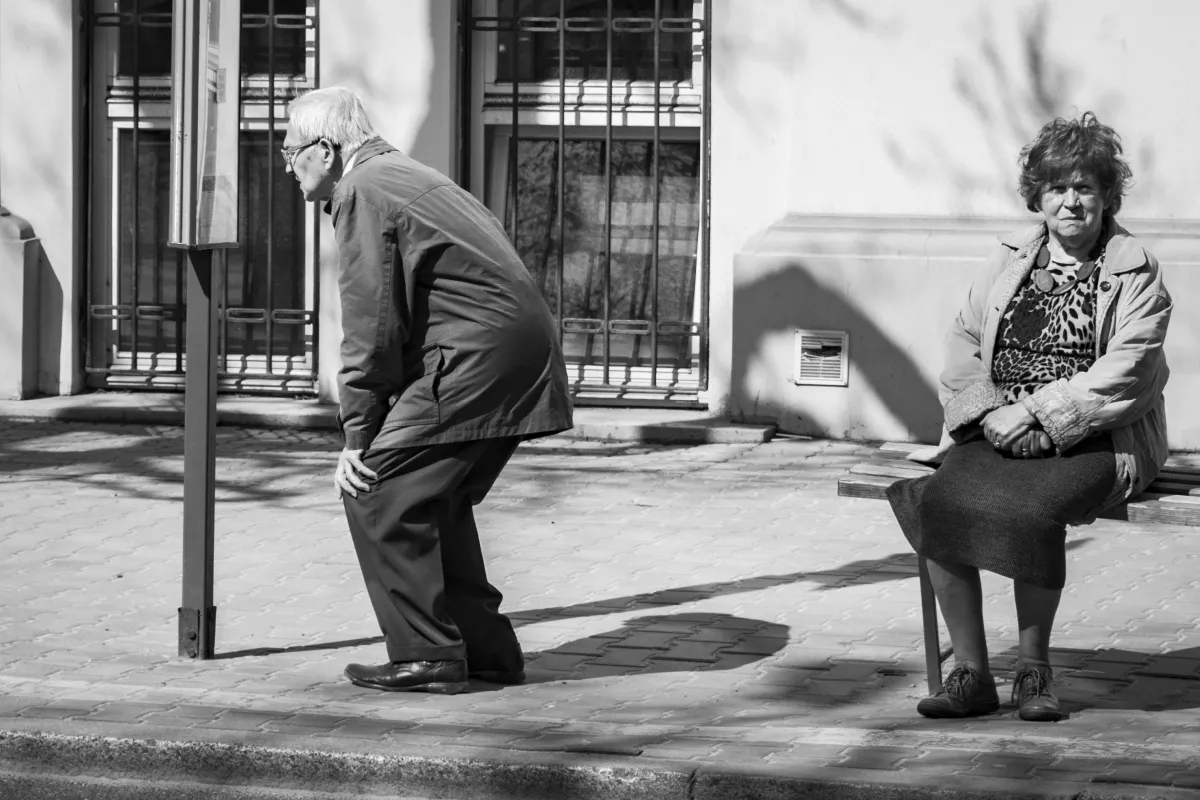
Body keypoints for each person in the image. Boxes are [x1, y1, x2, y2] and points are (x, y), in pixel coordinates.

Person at [282, 87, 573, 694]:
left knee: (379, 487)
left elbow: (371, 328)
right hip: (512, 354)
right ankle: (485, 654)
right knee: (432, 498)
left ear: (327, 149)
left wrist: (359, 437)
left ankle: (428, 655)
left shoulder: (361, 191)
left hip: (475, 358)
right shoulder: (408, 174)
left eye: (291, 152)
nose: (288, 166)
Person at [888, 112, 1172, 721]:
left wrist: (1039, 413)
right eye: (1057, 189)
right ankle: (971, 674)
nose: (1071, 202)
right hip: (999, 426)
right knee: (938, 500)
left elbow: (1130, 369)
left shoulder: (1135, 271)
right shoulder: (1011, 259)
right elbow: (964, 339)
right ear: (1038, 199)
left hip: (1096, 435)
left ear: (1106, 197)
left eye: (1085, 188)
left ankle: (1034, 671)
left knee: (1032, 509)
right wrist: (992, 414)